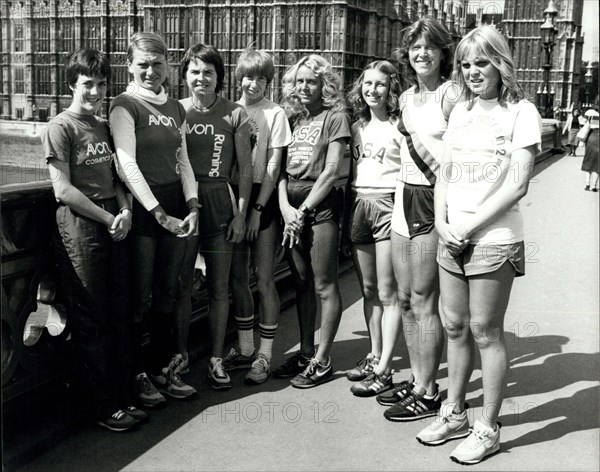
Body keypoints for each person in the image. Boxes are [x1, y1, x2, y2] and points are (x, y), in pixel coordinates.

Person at [416, 25, 542, 465]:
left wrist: (468, 225)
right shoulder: (461, 112)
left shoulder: (521, 112)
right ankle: (454, 413)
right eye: (465, 64)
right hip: (452, 236)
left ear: (500, 64)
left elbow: (519, 183)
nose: (472, 71)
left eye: (481, 62)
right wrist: (442, 222)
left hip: (493, 238)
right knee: (454, 328)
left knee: (485, 331)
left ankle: (487, 427)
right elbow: (444, 172)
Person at [44, 48, 145, 431]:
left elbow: (118, 179)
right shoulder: (60, 127)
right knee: (92, 317)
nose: (95, 92)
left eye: (102, 84)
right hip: (81, 226)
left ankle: (121, 397)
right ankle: (103, 408)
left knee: (119, 312)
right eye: (88, 84)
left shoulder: (103, 126)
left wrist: (125, 211)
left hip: (112, 221)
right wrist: (108, 217)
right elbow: (63, 191)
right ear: (72, 84)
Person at [375, 17, 459, 421]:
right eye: (414, 47)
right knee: (405, 300)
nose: (421, 53)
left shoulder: (451, 94)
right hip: (402, 197)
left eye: (429, 46)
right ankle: (417, 378)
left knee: (426, 301)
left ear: (444, 52)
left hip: (433, 197)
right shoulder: (406, 98)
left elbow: (461, 155)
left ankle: (429, 390)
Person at [109, 32, 198, 407]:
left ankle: (164, 370)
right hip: (146, 211)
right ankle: (138, 376)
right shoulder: (124, 105)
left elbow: (183, 160)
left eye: (157, 64)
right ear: (129, 65)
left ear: (167, 65)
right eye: (142, 64)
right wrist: (157, 213)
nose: (150, 71)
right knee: (140, 298)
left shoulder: (176, 107)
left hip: (175, 203)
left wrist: (192, 204)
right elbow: (126, 164)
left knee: (167, 293)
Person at [177, 43, 253, 390]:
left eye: (208, 72)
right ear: (185, 76)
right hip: (185, 205)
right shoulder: (176, 112)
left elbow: (245, 170)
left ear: (218, 77)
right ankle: (178, 358)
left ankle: (217, 357)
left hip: (220, 204)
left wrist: (240, 215)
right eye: (195, 71)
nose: (202, 78)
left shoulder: (235, 113)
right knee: (180, 288)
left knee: (219, 288)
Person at [274, 54, 351, 388]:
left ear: (325, 85)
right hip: (291, 208)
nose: (304, 87)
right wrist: (285, 210)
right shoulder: (292, 118)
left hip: (319, 207)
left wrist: (302, 211)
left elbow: (332, 170)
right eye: (299, 81)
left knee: (324, 284)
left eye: (311, 81)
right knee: (301, 283)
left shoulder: (335, 117)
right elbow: (278, 171)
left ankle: (322, 359)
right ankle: (305, 352)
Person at [225, 48, 292, 384]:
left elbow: (273, 165)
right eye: (249, 77)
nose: (254, 84)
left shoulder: (275, 113)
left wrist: (258, 210)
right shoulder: (230, 110)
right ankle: (246, 347)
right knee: (238, 279)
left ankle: (264, 355)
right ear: (240, 77)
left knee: (264, 280)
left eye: (262, 79)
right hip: (235, 197)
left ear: (269, 82)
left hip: (259, 199)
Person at [343, 60, 404, 397]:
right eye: (367, 84)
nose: (373, 90)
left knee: (387, 289)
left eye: (380, 84)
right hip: (358, 203)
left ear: (391, 89)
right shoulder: (357, 127)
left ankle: (385, 368)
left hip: (386, 204)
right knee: (368, 289)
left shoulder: (399, 126)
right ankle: (374, 353)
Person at [580, 107, 599, 191]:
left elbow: (582, 122)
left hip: (592, 136)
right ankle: (594, 185)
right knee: (598, 162)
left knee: (589, 160)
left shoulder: (590, 112)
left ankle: (587, 184)